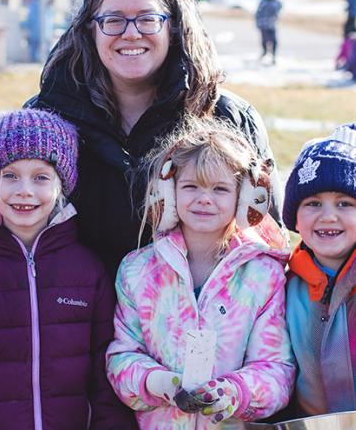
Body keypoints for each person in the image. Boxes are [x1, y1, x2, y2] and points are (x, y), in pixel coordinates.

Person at [26, 0, 283, 277]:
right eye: (113, 19)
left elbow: (267, 237)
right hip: (76, 320)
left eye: (148, 18)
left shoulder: (228, 118)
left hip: (197, 321)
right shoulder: (46, 118)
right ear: (91, 27)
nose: (131, 32)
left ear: (173, 26)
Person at [0, 109, 136, 429]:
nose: (24, 190)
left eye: (41, 177)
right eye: (10, 175)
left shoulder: (86, 270)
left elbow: (106, 365)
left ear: (61, 186)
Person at [105, 117, 295, 429]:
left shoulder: (263, 276)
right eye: (191, 186)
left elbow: (276, 369)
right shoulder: (136, 272)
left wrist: (235, 392)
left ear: (245, 198)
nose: (204, 198)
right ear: (167, 193)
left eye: (220, 189)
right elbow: (121, 359)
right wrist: (157, 382)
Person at [283, 122, 356, 417]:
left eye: (344, 203)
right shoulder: (283, 286)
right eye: (313, 203)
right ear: (295, 220)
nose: (328, 216)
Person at [255, 0, 282, 64]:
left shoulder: (275, 1)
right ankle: (265, 52)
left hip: (272, 25)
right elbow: (258, 14)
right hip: (264, 25)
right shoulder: (263, 2)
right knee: (264, 41)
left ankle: (273, 56)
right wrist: (258, 23)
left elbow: (279, 7)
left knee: (274, 41)